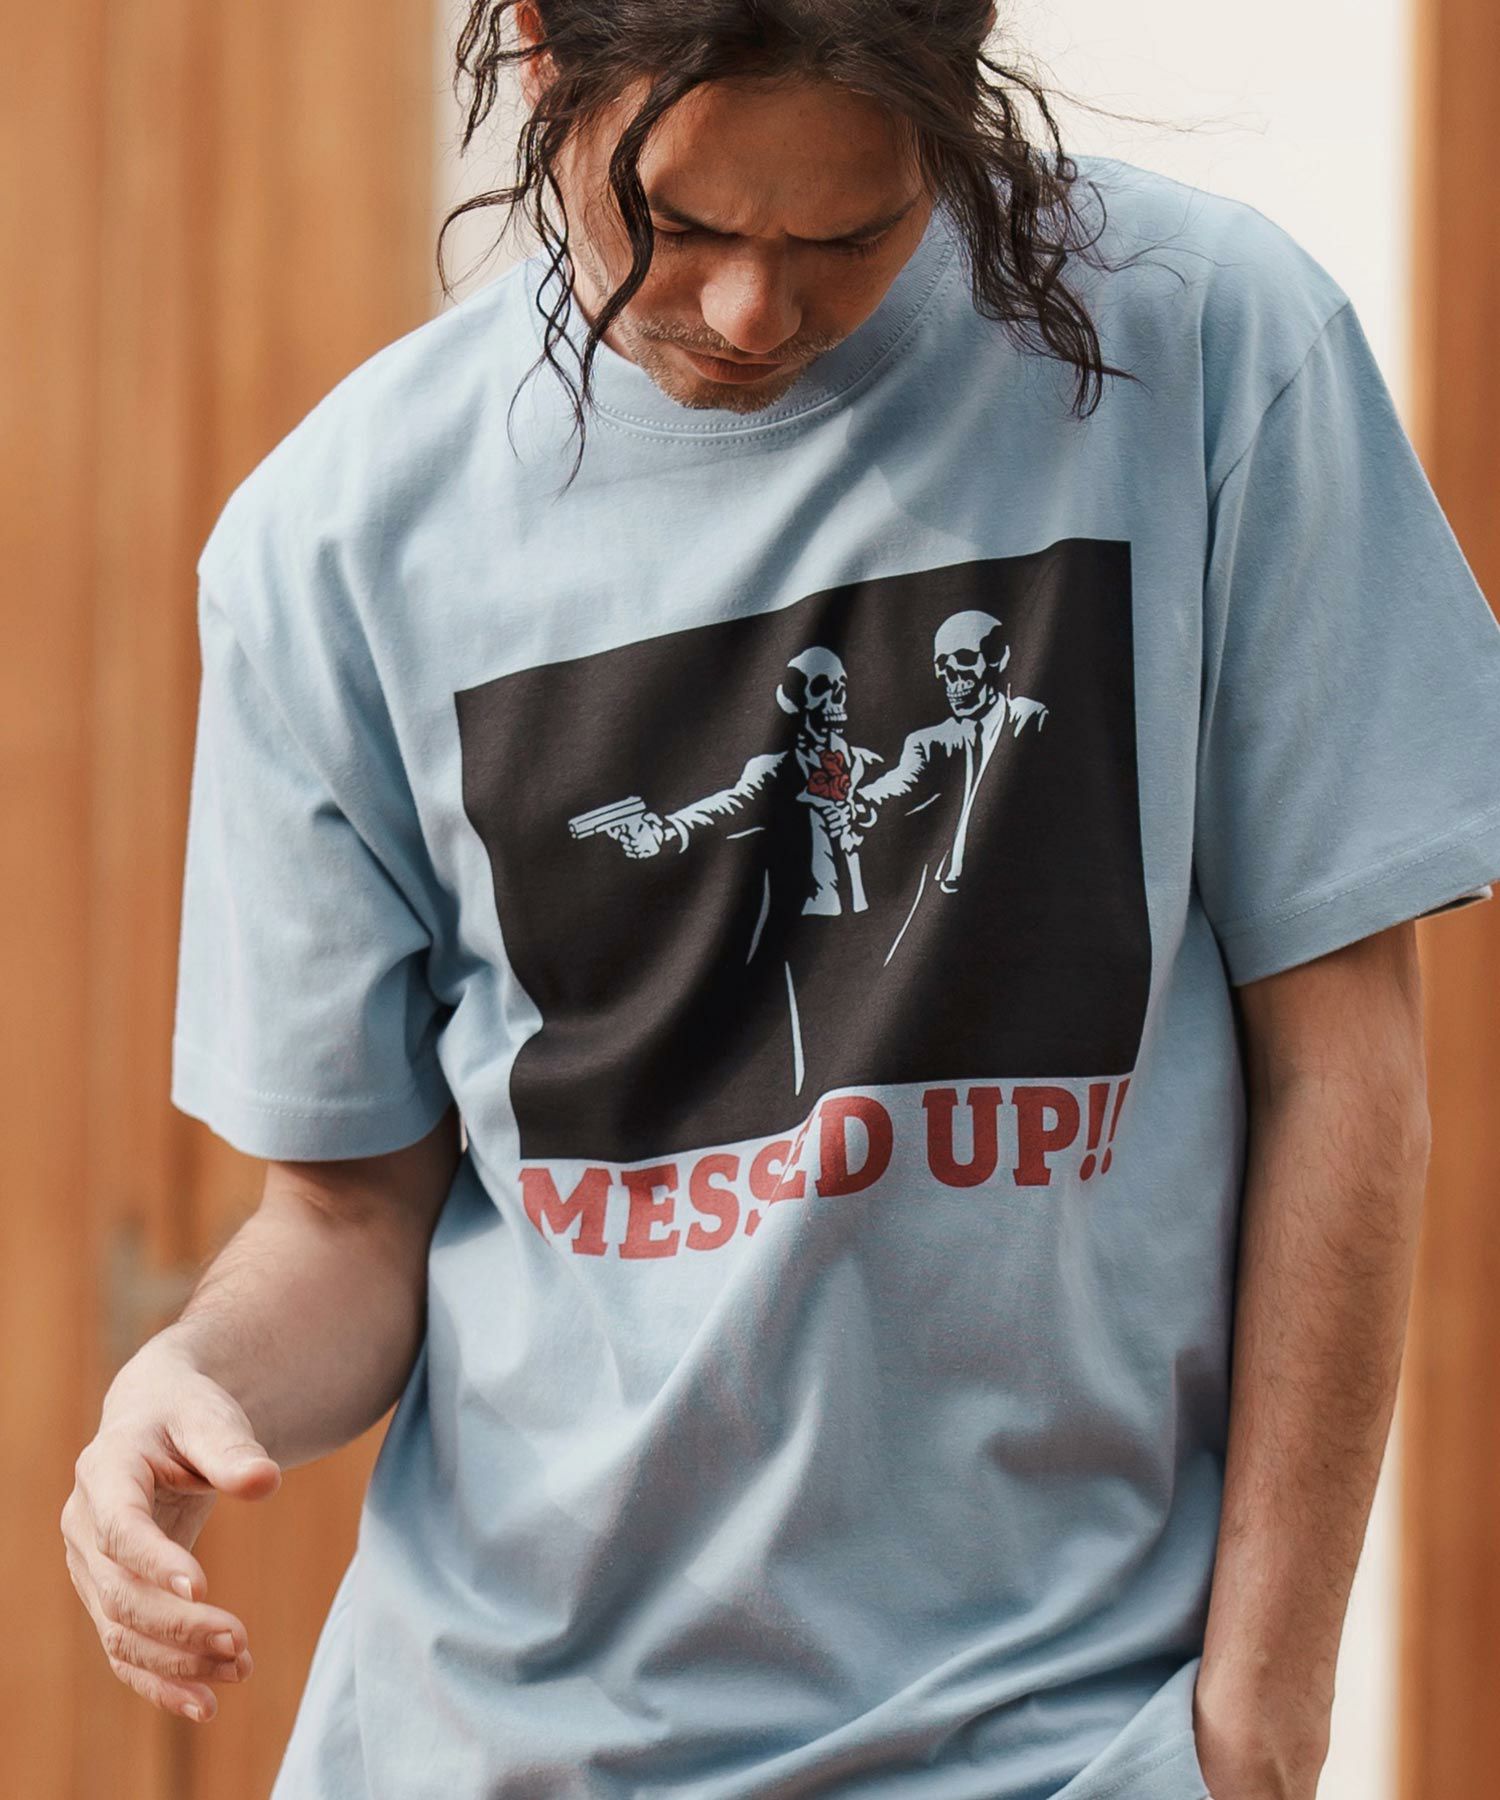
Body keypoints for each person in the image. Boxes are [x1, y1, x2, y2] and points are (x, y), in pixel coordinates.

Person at [58, 2, 1500, 1797]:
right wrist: (187, 1380)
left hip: (1061, 1746)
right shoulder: (335, 539)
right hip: (490, 1743)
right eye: (676, 226)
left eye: (846, 233)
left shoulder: (1209, 347)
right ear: (534, 57)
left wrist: (1265, 1714)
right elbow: (352, 1224)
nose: (753, 312)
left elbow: (1342, 1065)